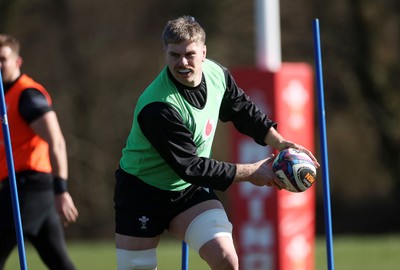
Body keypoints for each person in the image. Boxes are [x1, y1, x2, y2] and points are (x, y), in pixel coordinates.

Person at [114, 15, 319, 270]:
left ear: (203, 52)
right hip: (141, 192)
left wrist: (278, 141)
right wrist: (253, 172)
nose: (182, 62)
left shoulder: (216, 75)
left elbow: (243, 111)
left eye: (189, 54)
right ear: (165, 53)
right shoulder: (159, 107)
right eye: (174, 55)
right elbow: (193, 167)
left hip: (187, 191)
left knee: (226, 259)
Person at [0, 34, 78, 270]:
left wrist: (61, 189)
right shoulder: (3, 95)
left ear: (17, 61)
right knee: (58, 261)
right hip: (20, 188)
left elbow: (57, 141)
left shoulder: (27, 95)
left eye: (3, 59)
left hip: (28, 188)